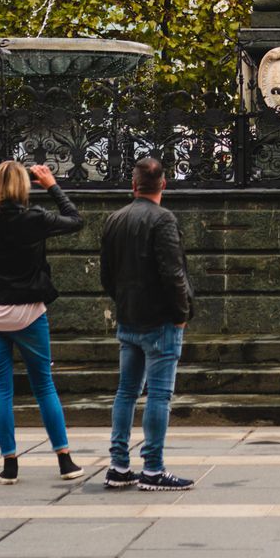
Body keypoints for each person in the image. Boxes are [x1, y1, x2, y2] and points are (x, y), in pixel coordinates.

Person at [0, 160, 84, 484]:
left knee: (1, 388)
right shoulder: (36, 219)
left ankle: (10, 463)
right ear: (25, 186)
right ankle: (64, 460)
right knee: (43, 385)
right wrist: (52, 185)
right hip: (29, 312)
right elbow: (75, 220)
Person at [98, 156, 195, 492]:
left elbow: (106, 276)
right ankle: (153, 468)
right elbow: (173, 273)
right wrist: (181, 314)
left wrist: (123, 302)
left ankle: (118, 465)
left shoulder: (115, 219)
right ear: (163, 185)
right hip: (160, 321)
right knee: (159, 395)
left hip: (129, 319)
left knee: (126, 392)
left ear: (133, 186)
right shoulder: (163, 220)